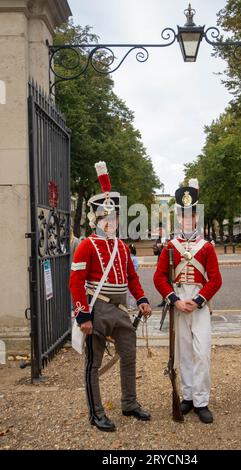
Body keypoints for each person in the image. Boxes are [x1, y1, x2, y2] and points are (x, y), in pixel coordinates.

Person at [69, 161, 152, 432]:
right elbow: (75, 282)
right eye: (106, 218)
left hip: (121, 310)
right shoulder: (85, 246)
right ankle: (96, 413)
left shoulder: (121, 246)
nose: (111, 222)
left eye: (114, 218)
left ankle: (129, 403)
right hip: (97, 309)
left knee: (129, 356)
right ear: (96, 220)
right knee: (93, 363)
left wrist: (141, 299)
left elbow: (131, 278)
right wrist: (83, 315)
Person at [153, 178, 222, 424]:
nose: (187, 220)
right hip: (179, 304)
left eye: (191, 216)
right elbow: (159, 277)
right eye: (183, 216)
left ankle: (202, 401)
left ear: (196, 218)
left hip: (199, 305)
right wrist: (173, 300)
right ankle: (189, 396)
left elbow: (216, 279)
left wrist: (199, 299)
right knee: (183, 354)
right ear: (179, 218)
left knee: (201, 353)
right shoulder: (170, 246)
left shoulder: (207, 247)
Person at [153, 222, 166, 307]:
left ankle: (170, 299)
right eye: (158, 230)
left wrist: (161, 248)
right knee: (161, 282)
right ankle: (164, 300)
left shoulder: (169, 239)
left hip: (169, 263)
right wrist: (155, 249)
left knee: (169, 282)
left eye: (161, 230)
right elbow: (155, 253)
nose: (160, 232)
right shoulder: (158, 239)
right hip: (160, 262)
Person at [127, 243, 138, 311]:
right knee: (127, 292)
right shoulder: (127, 256)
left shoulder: (134, 258)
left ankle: (132, 305)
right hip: (126, 275)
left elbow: (136, 267)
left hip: (131, 276)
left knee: (131, 292)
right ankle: (128, 305)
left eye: (130, 249)